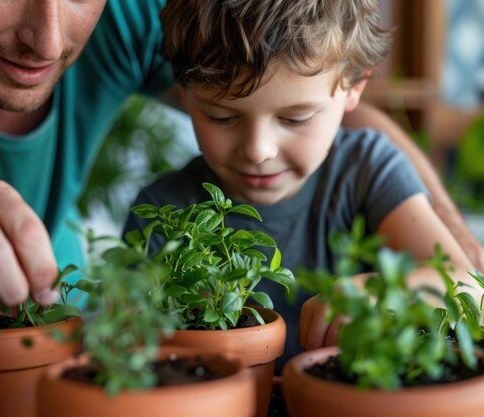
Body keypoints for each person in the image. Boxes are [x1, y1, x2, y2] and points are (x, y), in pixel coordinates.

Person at [0, 0, 481, 317]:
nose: (47, 38)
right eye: (219, 116)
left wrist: (458, 257)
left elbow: (329, 107)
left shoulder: (127, 20)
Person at [123, 0, 482, 369]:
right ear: (184, 96)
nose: (258, 150)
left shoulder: (365, 171)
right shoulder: (162, 212)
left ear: (354, 88)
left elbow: (467, 285)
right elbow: (132, 349)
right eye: (222, 116)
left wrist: (378, 294)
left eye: (296, 119)